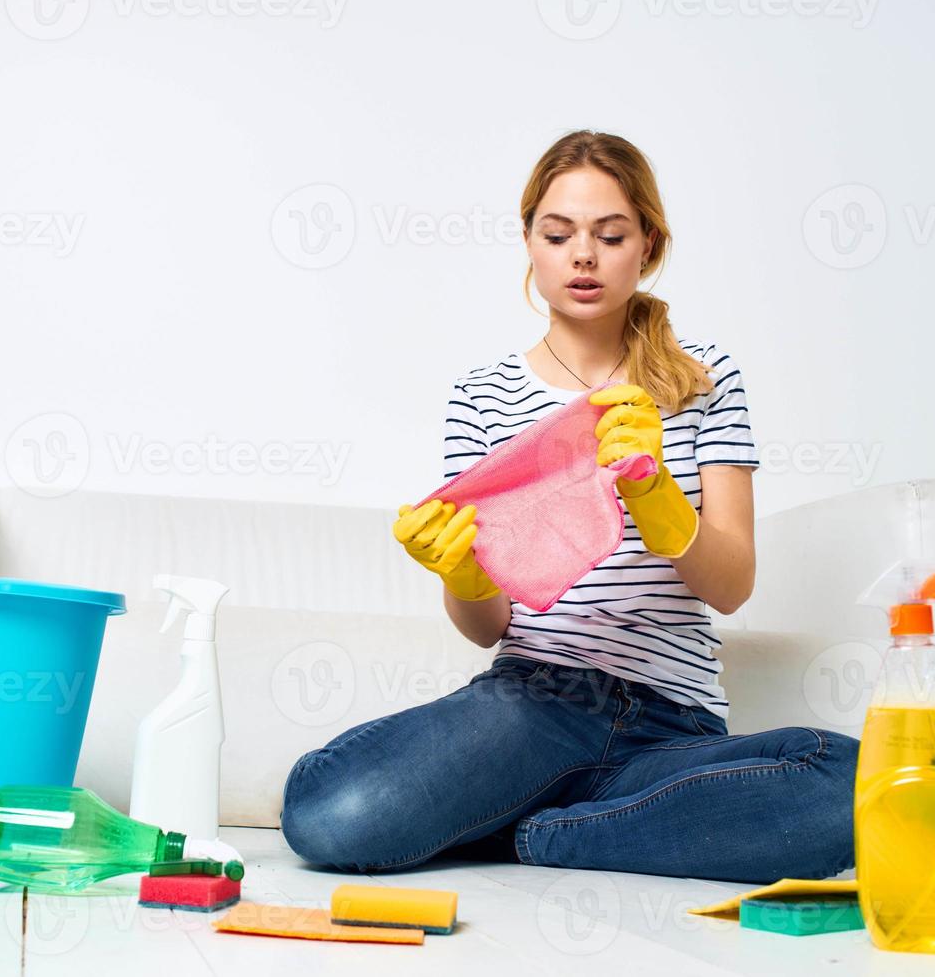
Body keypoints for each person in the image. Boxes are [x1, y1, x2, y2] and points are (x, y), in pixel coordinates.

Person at [279, 130, 857, 883]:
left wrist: (658, 500)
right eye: (559, 235)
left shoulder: (706, 380)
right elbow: (485, 628)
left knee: (852, 785)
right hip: (535, 703)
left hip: (673, 726)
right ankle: (603, 826)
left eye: (610, 235)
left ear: (647, 244)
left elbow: (732, 584)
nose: (583, 255)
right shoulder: (482, 398)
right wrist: (464, 573)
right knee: (328, 810)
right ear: (530, 244)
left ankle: (534, 834)